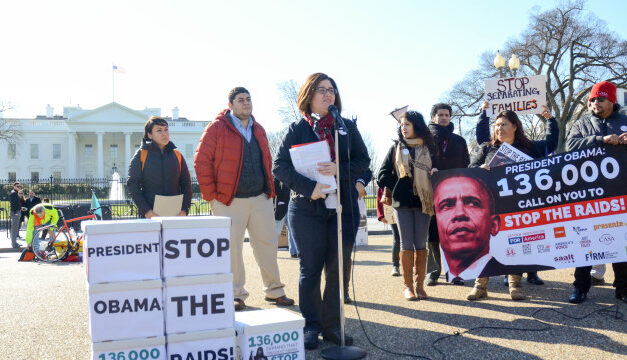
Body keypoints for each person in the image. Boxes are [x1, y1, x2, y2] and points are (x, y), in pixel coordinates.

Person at [273, 73, 370, 350]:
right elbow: (279, 166)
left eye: (332, 90)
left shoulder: (346, 126)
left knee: (336, 270)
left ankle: (333, 327)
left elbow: (364, 161)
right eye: (321, 90)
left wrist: (339, 170)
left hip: (343, 208)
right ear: (309, 95)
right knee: (310, 269)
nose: (328, 95)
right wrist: (309, 187)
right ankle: (311, 326)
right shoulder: (296, 129)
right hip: (307, 209)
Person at [195, 87, 294, 312]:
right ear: (230, 105)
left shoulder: (259, 129)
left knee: (267, 245)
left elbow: (266, 161)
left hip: (260, 198)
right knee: (232, 249)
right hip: (229, 200)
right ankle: (235, 294)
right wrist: (212, 197)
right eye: (240, 100)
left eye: (249, 99)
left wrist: (269, 191)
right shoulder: (216, 128)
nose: (246, 103)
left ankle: (275, 290)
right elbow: (201, 162)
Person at [467, 107, 558, 300]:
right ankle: (480, 286)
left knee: (516, 245)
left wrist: (550, 120)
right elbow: (471, 169)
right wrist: (479, 169)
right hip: (490, 207)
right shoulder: (486, 148)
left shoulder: (531, 148)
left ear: (515, 126)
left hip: (518, 208)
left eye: (504, 124)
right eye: (497, 125)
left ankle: (515, 284)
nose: (499, 128)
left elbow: (552, 142)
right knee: (487, 245)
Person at [433, 172, 554, 301]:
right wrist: (481, 167)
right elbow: (474, 161)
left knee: (514, 241)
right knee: (483, 246)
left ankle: (515, 285)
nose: (459, 213)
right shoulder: (483, 152)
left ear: (494, 224)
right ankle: (480, 287)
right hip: (489, 186)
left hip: (513, 192)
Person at [565, 80, 627, 304]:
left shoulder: (625, 121)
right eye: (592, 100)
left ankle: (622, 288)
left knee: (621, 243)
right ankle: (580, 287)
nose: (595, 104)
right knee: (586, 243)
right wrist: (601, 140)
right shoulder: (581, 124)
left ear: (611, 101)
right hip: (589, 195)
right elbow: (570, 147)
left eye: (600, 99)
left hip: (620, 193)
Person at [377, 111, 438, 301]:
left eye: (407, 125)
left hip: (423, 201)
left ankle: (420, 286)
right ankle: (408, 287)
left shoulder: (429, 147)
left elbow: (440, 170)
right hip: (401, 202)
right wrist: (396, 184)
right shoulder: (395, 147)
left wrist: (435, 172)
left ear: (417, 126)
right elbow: (382, 174)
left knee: (421, 243)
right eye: (402, 125)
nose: (403, 128)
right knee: (405, 243)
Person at [426, 103, 470, 287]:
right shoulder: (425, 139)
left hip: (454, 193)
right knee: (433, 235)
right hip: (431, 193)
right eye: (440, 114)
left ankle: (456, 272)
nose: (444, 117)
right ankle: (433, 272)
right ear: (433, 117)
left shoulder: (459, 141)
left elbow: (466, 164)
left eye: (447, 114)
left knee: (455, 234)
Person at [127, 116, 192, 219]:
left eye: (166, 130)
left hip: (176, 216)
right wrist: (147, 211)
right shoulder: (141, 155)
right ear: (149, 135)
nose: (164, 133)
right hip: (149, 217)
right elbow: (132, 185)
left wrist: (184, 210)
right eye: (159, 130)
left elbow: (186, 185)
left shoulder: (177, 155)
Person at [376, 187, 401, 276]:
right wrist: (381, 214)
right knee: (397, 238)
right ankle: (395, 265)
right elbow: (380, 193)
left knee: (409, 238)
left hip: (405, 206)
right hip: (390, 209)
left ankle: (413, 265)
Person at [9, 182, 22, 248]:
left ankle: (15, 243)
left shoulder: (15, 192)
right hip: (15, 212)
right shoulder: (13, 193)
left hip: (16, 211)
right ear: (14, 186)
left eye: (19, 186)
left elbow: (16, 204)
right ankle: (14, 244)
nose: (19, 187)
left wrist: (20, 208)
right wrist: (15, 212)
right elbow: (13, 204)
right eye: (17, 186)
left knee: (15, 228)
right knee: (14, 229)